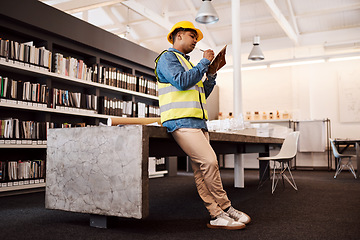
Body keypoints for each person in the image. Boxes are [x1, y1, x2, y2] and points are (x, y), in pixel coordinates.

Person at [154, 21, 251, 230]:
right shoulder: (167, 58)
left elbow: (200, 95)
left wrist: (212, 75)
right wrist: (204, 63)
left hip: (197, 121)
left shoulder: (189, 64)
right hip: (180, 121)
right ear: (178, 35)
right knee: (210, 162)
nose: (195, 40)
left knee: (201, 170)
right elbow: (180, 81)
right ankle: (226, 207)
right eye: (192, 35)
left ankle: (216, 214)